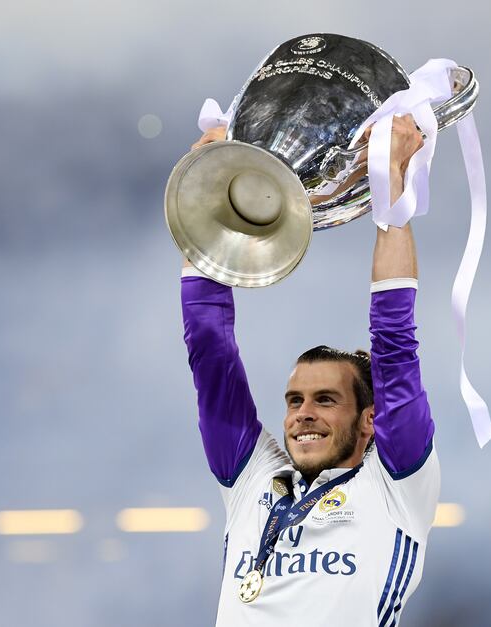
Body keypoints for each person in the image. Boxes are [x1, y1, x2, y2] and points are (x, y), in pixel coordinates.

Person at [181, 115, 439, 626]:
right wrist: (206, 198)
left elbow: (395, 345)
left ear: (370, 420)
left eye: (326, 400)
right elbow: (209, 352)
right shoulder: (253, 481)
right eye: (295, 400)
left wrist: (392, 193)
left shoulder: (396, 488)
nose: (302, 414)